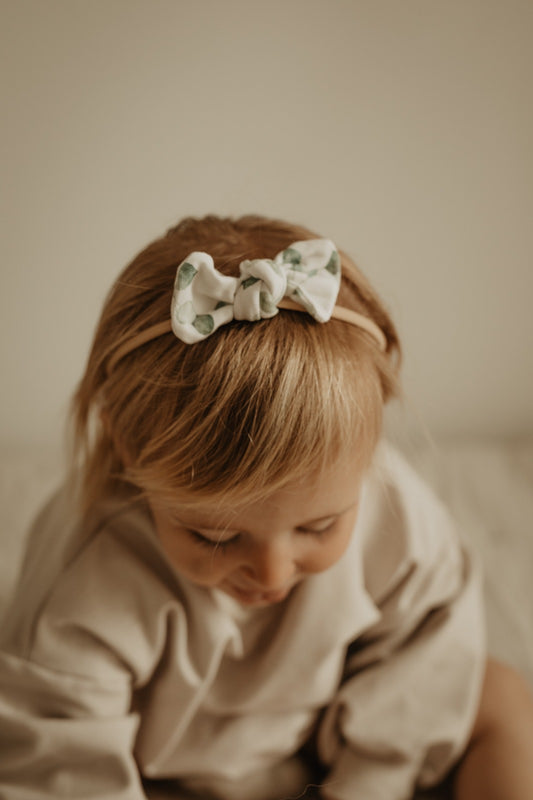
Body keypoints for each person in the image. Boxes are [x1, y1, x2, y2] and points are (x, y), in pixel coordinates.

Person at [0, 214, 532, 800]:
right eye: (216, 537)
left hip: (332, 721)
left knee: (500, 696)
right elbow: (59, 754)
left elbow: (427, 647)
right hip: (159, 760)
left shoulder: (391, 507)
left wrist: (367, 781)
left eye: (319, 526)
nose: (272, 574)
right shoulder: (88, 575)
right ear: (126, 446)